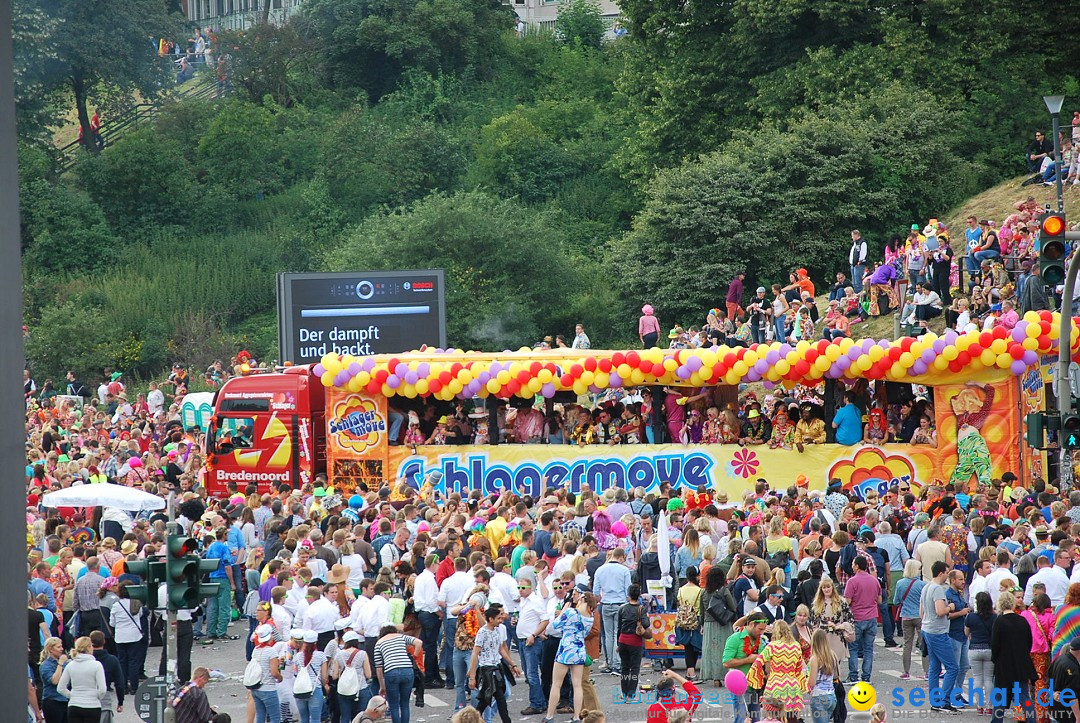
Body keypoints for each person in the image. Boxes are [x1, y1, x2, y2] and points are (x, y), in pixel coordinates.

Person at [540, 588, 594, 723]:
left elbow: (553, 627)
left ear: (582, 600)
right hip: (579, 650)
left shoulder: (570, 612)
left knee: (556, 684)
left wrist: (562, 612)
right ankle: (576, 717)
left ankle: (550, 716)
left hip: (565, 649)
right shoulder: (590, 617)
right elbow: (586, 634)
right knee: (577, 685)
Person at [468, 605, 521, 723]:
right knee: (490, 700)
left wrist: (513, 664)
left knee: (489, 700)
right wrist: (472, 676)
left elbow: (501, 649)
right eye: (498, 618)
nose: (501, 620)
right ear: (490, 619)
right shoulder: (482, 633)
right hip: (486, 670)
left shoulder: (497, 630)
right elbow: (475, 653)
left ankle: (473, 720)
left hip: (497, 668)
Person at [992, 591, 1038, 723]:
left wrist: (995, 660)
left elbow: (995, 644)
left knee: (1000, 696)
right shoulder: (1022, 620)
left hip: (1004, 663)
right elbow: (1029, 641)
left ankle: (997, 720)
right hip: (1021, 663)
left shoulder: (999, 621)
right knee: (1024, 695)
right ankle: (1032, 719)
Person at [920, 561, 960, 712]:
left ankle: (935, 700)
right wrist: (950, 607)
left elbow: (921, 611)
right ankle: (945, 701)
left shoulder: (926, 587)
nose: (947, 577)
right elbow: (940, 611)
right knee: (952, 667)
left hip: (927, 628)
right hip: (938, 631)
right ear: (941, 573)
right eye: (946, 573)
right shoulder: (937, 589)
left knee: (934, 668)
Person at [722, 611, 768, 723]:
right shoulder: (735, 638)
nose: (761, 633)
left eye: (763, 630)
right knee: (741, 719)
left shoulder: (761, 641)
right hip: (739, 686)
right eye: (760, 629)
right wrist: (748, 660)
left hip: (756, 686)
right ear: (751, 624)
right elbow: (726, 662)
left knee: (756, 719)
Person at [755, 620, 805, 720]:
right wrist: (803, 684)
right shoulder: (796, 646)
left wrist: (757, 679)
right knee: (792, 718)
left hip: (775, 685)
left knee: (774, 718)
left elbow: (758, 663)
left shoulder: (772, 646)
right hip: (792, 686)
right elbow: (799, 668)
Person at [373, 624, 422, 723]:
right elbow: (418, 642)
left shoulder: (379, 643)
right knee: (405, 703)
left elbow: (378, 668)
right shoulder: (401, 637)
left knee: (394, 705)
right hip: (407, 670)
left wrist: (382, 687)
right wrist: (414, 657)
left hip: (391, 672)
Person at [843, 555, 881, 683]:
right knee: (868, 648)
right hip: (871, 616)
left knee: (853, 648)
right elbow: (879, 599)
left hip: (856, 617)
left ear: (857, 566)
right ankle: (866, 676)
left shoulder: (852, 581)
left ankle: (853, 675)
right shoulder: (874, 581)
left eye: (853, 564)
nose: (852, 567)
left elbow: (847, 601)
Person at [1022, 593, 1056, 723]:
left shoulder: (1026, 614)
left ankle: (1022, 714)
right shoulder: (1050, 616)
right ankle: (1041, 715)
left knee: (1023, 683)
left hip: (1026, 651)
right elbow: (1052, 635)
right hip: (1042, 653)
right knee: (1041, 683)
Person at [57, 636, 106, 723]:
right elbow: (102, 689)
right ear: (88, 648)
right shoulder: (96, 665)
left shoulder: (71, 665)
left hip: (74, 705)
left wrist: (72, 695)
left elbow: (60, 688)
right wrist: (96, 697)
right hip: (92, 705)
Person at [701, 567, 736, 685]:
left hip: (708, 624)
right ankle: (725, 675)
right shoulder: (724, 591)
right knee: (724, 649)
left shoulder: (704, 592)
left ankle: (714, 677)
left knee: (710, 651)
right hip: (723, 623)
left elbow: (702, 611)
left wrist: (702, 625)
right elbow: (733, 607)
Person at [892, 560, 925, 680]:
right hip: (919, 616)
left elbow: (896, 601)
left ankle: (906, 671)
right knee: (923, 644)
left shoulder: (900, 583)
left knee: (907, 644)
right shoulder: (922, 585)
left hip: (905, 616)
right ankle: (927, 671)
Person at [616, 583, 650, 697]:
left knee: (624, 667)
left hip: (623, 640)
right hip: (635, 641)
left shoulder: (622, 609)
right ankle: (631, 693)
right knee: (634, 668)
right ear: (639, 596)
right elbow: (646, 623)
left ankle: (624, 691)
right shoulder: (641, 609)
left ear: (629, 595)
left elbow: (619, 628)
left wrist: (618, 643)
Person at [965, 591, 996, 715]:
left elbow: (966, 633)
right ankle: (989, 706)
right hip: (989, 649)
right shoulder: (994, 617)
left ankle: (979, 706)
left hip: (974, 649)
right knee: (988, 679)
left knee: (977, 678)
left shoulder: (971, 617)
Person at [673, 566, 704, 682]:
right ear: (696, 576)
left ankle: (689, 672)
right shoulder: (699, 591)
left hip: (683, 619)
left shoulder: (681, 589)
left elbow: (678, 602)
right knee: (694, 646)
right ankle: (691, 673)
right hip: (695, 619)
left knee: (688, 646)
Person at [249, 623, 284, 723]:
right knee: (275, 718)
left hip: (256, 687)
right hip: (268, 688)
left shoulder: (256, 650)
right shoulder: (271, 651)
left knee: (260, 716)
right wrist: (280, 677)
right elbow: (274, 673)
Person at [806, 629, 839, 723]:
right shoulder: (832, 655)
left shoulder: (815, 659)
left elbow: (812, 682)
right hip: (831, 695)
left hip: (818, 697)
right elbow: (836, 675)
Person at [39, 637, 68, 723]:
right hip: (52, 701)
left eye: (61, 646)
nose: (61, 649)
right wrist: (60, 664)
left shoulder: (66, 664)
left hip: (66, 700)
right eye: (58, 647)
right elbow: (55, 681)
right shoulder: (45, 665)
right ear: (51, 649)